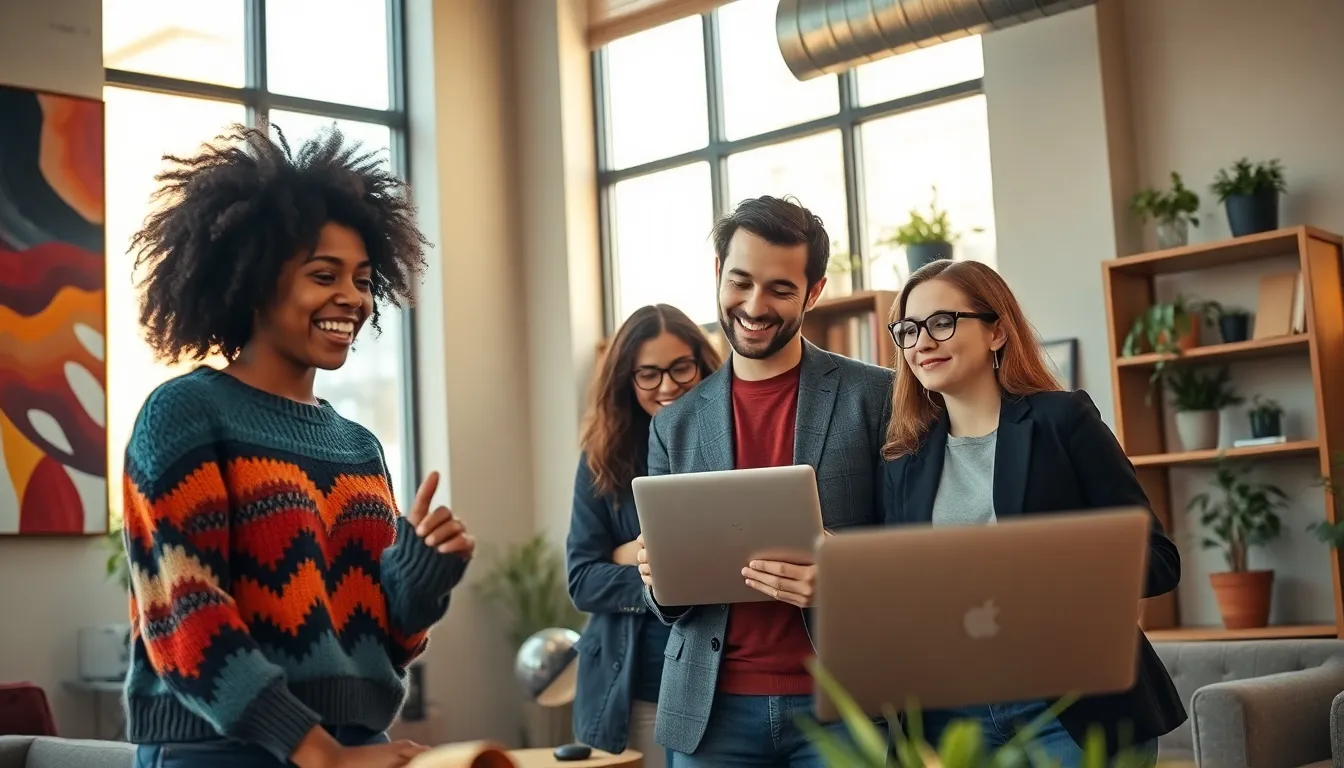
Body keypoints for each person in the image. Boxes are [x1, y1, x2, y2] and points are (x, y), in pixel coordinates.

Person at [120, 123, 473, 768]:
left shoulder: (359, 446)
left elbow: (383, 645)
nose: (352, 299)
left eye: (363, 280)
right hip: (221, 749)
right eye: (324, 275)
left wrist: (421, 575)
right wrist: (321, 754)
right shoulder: (184, 415)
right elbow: (187, 616)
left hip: (351, 743)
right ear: (255, 281)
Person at [879, 259, 1186, 766]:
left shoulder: (1063, 420)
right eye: (908, 330)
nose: (922, 343)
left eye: (941, 322)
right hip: (954, 715)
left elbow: (1159, 559)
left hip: (1071, 707)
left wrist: (1050, 570)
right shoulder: (903, 460)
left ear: (997, 331)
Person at [633, 196, 895, 767]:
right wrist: (656, 577)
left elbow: (918, 544)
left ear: (814, 292)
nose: (754, 306)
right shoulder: (674, 425)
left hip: (844, 704)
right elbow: (666, 600)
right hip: (709, 712)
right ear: (718, 274)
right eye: (740, 281)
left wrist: (845, 574)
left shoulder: (876, 396)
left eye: (779, 288)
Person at [566, 303, 724, 768]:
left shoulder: (730, 445)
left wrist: (628, 553)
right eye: (649, 374)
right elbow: (582, 579)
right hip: (633, 689)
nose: (668, 386)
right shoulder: (601, 458)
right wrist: (662, 572)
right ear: (627, 380)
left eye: (681, 368)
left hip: (718, 689)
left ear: (704, 365)